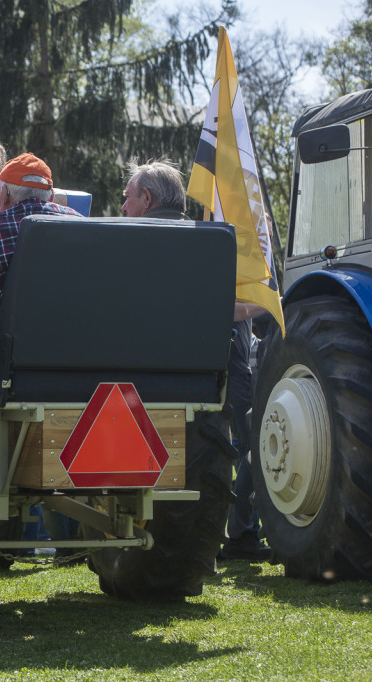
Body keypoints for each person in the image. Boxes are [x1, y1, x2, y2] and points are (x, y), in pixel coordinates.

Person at [119, 158, 269, 560]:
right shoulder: (213, 243)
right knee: (239, 445)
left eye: (127, 198)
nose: (122, 209)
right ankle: (237, 532)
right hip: (205, 388)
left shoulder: (119, 242)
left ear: (147, 199)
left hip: (128, 385)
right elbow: (231, 308)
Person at [0, 153, 81, 400]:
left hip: (5, 359)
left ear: (4, 195)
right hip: (74, 354)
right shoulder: (82, 226)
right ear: (50, 196)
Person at [120, 157, 190, 219]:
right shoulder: (196, 231)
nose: (123, 209)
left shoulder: (131, 233)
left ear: (146, 198)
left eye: (128, 197)